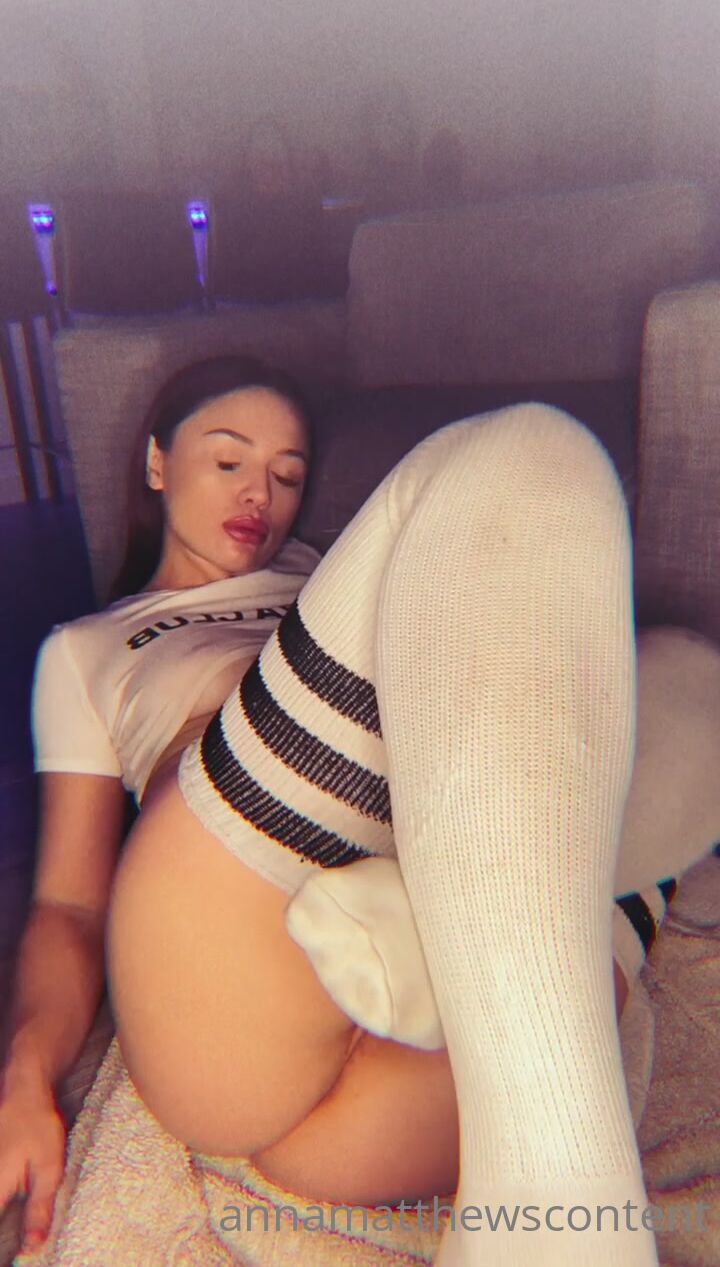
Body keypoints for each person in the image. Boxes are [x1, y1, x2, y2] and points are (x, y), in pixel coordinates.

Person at [1, 357, 718, 1264]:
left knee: (693, 680)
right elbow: (68, 903)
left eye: (288, 473)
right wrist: (25, 1075)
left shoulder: (318, 576)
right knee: (534, 452)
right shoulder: (88, 645)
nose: (260, 493)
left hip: (371, 1122)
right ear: (156, 462)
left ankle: (450, 930)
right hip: (234, 974)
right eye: (229, 459)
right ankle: (460, 919)